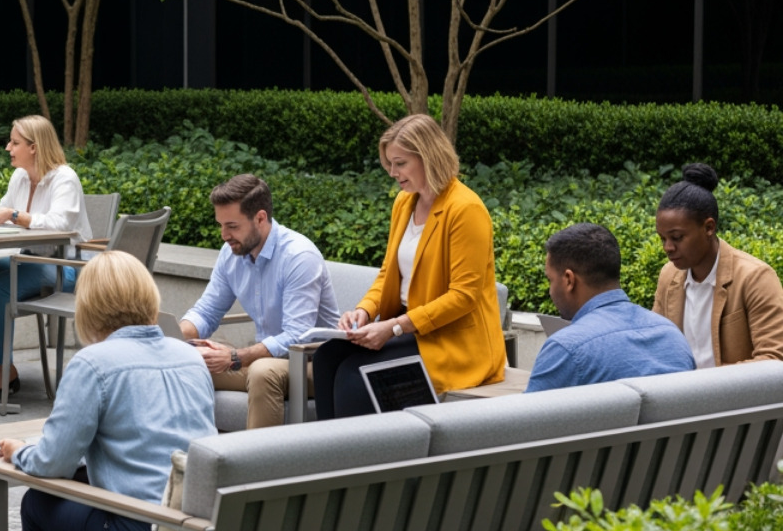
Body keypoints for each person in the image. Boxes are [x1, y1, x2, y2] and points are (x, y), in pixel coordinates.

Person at [0, 252, 216, 531]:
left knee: (36, 500)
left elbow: (51, 463)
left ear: (88, 305)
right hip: (198, 522)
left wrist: (19, 451)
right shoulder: (190, 356)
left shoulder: (93, 363)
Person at [314, 114, 505, 418]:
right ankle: (325, 458)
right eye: (390, 164)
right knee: (326, 357)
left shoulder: (466, 209)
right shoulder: (404, 203)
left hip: (450, 340)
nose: (392, 172)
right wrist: (363, 311)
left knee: (355, 377)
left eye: (400, 163)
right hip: (405, 328)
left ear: (428, 157)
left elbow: (464, 297)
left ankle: (363, 462)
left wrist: (393, 327)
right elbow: (388, 273)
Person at [179, 173, 339, 427]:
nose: (223, 234)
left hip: (314, 363)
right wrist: (174, 338)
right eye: (220, 225)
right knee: (183, 362)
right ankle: (192, 457)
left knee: (263, 371)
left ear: (260, 218)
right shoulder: (231, 253)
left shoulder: (299, 256)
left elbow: (299, 335)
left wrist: (235, 356)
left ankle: (261, 466)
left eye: (232, 226)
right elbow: (207, 311)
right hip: (266, 358)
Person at [0, 114, 92, 396]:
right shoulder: (20, 176)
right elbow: (5, 209)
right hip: (34, 260)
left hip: (66, 266)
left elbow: (60, 225)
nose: (8, 147)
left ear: (34, 147)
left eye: (15, 142)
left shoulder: (64, 179)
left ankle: (4, 366)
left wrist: (15, 215)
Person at [526, 223, 694, 391]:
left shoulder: (566, 350)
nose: (550, 290)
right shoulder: (672, 336)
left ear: (569, 280)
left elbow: (528, 416)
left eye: (551, 280)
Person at [652, 163, 783, 368]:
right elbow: (657, 348)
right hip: (681, 397)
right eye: (662, 239)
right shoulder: (669, 276)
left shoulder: (755, 277)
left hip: (740, 399)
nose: (668, 248)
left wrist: (712, 391)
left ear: (709, 227)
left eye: (677, 237)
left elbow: (774, 359)